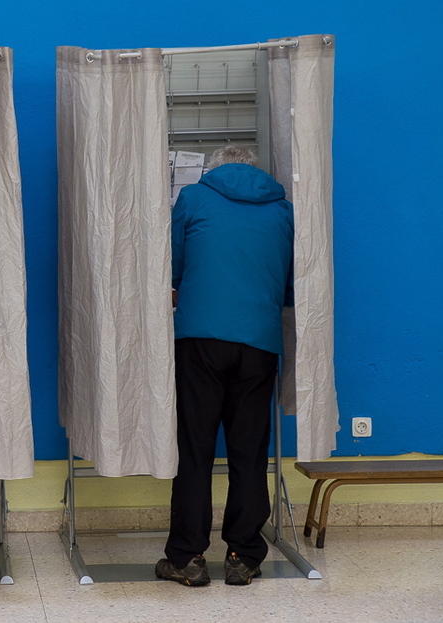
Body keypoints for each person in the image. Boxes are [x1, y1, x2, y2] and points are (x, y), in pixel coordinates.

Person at [156, 143, 294, 587]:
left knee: (195, 449)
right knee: (249, 451)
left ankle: (187, 557)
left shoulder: (194, 197)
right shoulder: (283, 210)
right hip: (259, 341)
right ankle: (243, 555)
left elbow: (170, 266)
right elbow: (291, 282)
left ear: (214, 168)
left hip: (200, 339)